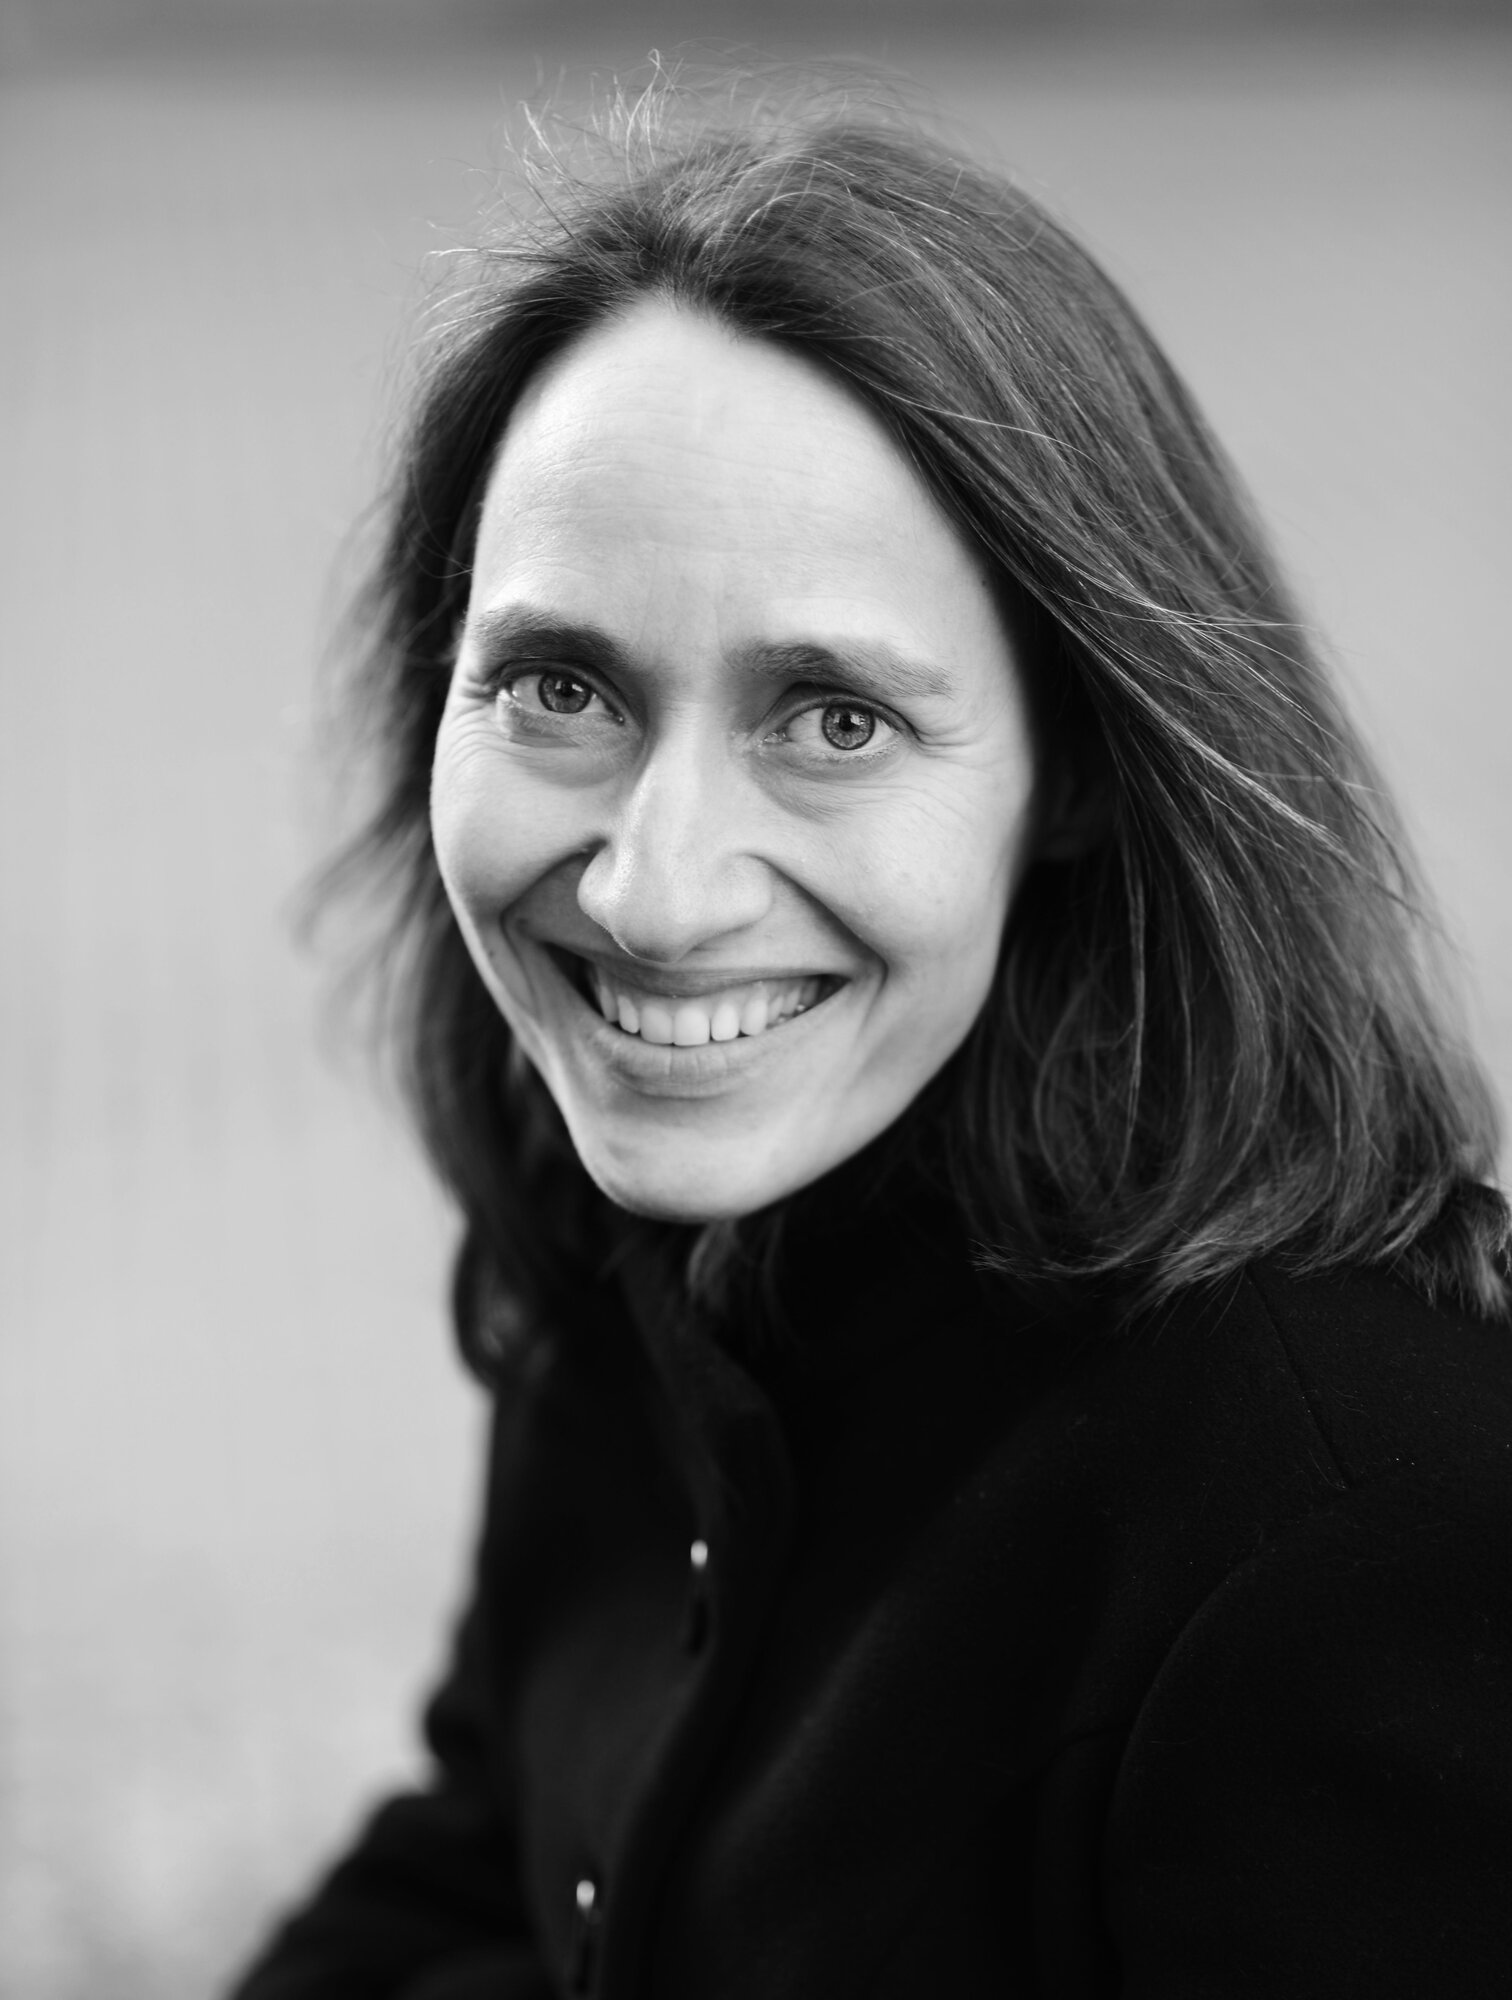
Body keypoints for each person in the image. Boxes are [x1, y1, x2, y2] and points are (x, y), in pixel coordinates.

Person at [228, 82, 1512, 2000]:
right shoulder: (653, 1191)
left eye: (834, 721)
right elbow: (501, 1852)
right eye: (560, 686)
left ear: (1079, 768)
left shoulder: (1355, 1541)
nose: (655, 896)